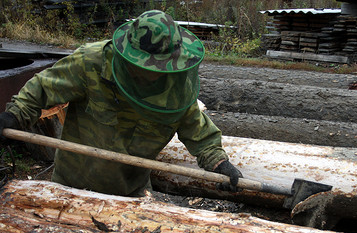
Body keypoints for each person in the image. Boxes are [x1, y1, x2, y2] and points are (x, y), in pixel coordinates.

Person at [0, 10, 242, 196]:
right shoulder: (91, 62)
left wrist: (219, 164)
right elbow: (42, 88)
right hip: (72, 185)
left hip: (131, 192)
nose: (152, 73)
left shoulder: (176, 87)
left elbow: (197, 130)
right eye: (145, 67)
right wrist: (14, 116)